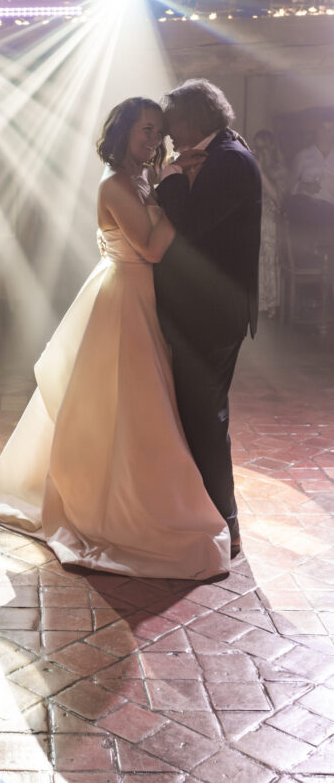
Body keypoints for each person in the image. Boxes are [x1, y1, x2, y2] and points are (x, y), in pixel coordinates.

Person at [0, 97, 230, 580]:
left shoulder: (140, 178)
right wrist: (177, 191)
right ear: (120, 133)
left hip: (143, 299)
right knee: (128, 407)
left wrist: (163, 187)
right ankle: (112, 506)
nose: (153, 140)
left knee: (141, 406)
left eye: (158, 132)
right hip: (123, 300)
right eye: (144, 130)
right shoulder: (117, 183)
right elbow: (154, 248)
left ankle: (144, 489)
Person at [154, 79, 262, 558]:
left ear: (193, 119)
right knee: (198, 417)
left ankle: (225, 523)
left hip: (212, 316)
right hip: (204, 312)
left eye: (170, 122)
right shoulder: (220, 154)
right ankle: (208, 515)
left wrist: (169, 178)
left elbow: (193, 226)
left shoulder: (230, 161)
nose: (165, 132)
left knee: (206, 419)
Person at [253, 130, 288, 317]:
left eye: (263, 148)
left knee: (268, 256)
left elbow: (278, 198)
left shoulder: (279, 169)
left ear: (272, 148)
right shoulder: (251, 166)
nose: (260, 152)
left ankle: (271, 303)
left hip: (270, 221)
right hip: (252, 218)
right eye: (256, 147)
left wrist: (260, 172)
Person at [283, 111, 334, 228]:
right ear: (317, 131)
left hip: (329, 211)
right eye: (323, 129)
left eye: (330, 130)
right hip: (305, 207)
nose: (326, 133)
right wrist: (303, 186)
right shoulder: (302, 156)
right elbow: (288, 185)